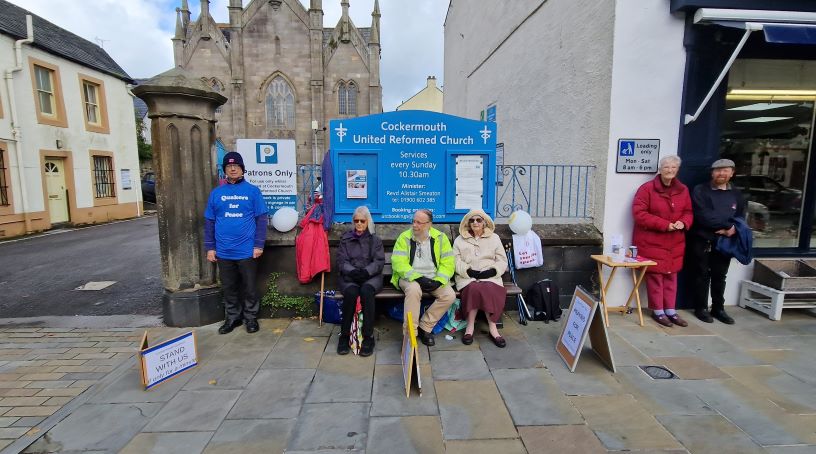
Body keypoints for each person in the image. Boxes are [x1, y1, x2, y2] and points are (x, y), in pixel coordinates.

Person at [204, 152, 268, 334]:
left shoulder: (252, 191)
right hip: (223, 251)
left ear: (242, 169)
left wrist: (258, 245)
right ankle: (232, 318)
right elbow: (209, 221)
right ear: (224, 170)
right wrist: (210, 248)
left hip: (247, 250)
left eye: (236, 166)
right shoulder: (216, 193)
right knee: (229, 287)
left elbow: (261, 219)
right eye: (229, 166)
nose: (233, 169)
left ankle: (251, 318)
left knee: (249, 287)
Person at [632, 155, 693, 328]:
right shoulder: (647, 189)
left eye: (674, 167)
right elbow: (639, 214)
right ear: (660, 169)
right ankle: (658, 311)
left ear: (677, 170)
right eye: (667, 167)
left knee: (672, 276)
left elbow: (688, 211)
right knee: (656, 277)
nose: (670, 170)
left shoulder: (683, 190)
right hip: (652, 241)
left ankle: (671, 311)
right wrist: (665, 225)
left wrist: (684, 222)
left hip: (675, 242)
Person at [686, 158, 746, 325]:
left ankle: (718, 308)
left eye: (726, 170)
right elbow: (703, 215)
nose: (721, 173)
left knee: (720, 276)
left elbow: (740, 215)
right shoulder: (701, 190)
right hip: (703, 239)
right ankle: (701, 308)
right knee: (701, 274)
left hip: (725, 242)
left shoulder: (736, 194)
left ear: (732, 173)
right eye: (718, 170)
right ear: (712, 173)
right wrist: (727, 225)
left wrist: (733, 229)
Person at [391, 209, 456, 346]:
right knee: (414, 290)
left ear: (429, 224)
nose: (415, 225)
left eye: (419, 222)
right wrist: (418, 278)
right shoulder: (404, 237)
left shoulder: (440, 238)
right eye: (413, 221)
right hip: (409, 277)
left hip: (433, 277)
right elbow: (398, 263)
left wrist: (439, 280)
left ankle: (425, 327)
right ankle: (410, 334)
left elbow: (448, 263)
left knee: (449, 295)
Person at [453, 209, 508, 347]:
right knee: (473, 289)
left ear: (484, 222)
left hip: (490, 277)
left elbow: (502, 260)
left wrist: (491, 272)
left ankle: (493, 329)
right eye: (472, 220)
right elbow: (454, 261)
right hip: (467, 277)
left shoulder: (494, 238)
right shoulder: (460, 240)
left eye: (478, 220)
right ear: (467, 223)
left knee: (489, 289)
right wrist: (469, 271)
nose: (475, 223)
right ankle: (469, 327)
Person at [336, 206, 385, 356]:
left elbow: (379, 261)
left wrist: (366, 271)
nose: (359, 224)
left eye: (362, 221)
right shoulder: (345, 239)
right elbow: (341, 261)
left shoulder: (374, 240)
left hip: (371, 277)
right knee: (351, 293)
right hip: (350, 277)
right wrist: (352, 271)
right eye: (356, 220)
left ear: (367, 222)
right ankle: (344, 336)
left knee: (366, 291)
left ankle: (368, 337)